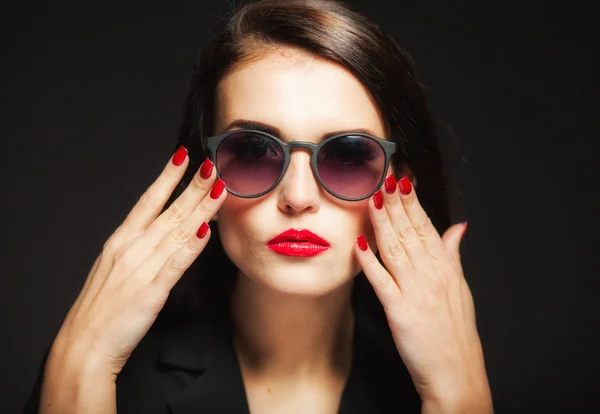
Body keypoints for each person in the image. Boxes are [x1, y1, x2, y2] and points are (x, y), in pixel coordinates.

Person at [23, 0, 495, 412]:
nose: (298, 197)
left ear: (399, 186)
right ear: (204, 174)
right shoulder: (108, 378)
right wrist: (82, 362)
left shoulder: (443, 383)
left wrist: (457, 397)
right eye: (252, 152)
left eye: (348, 156)